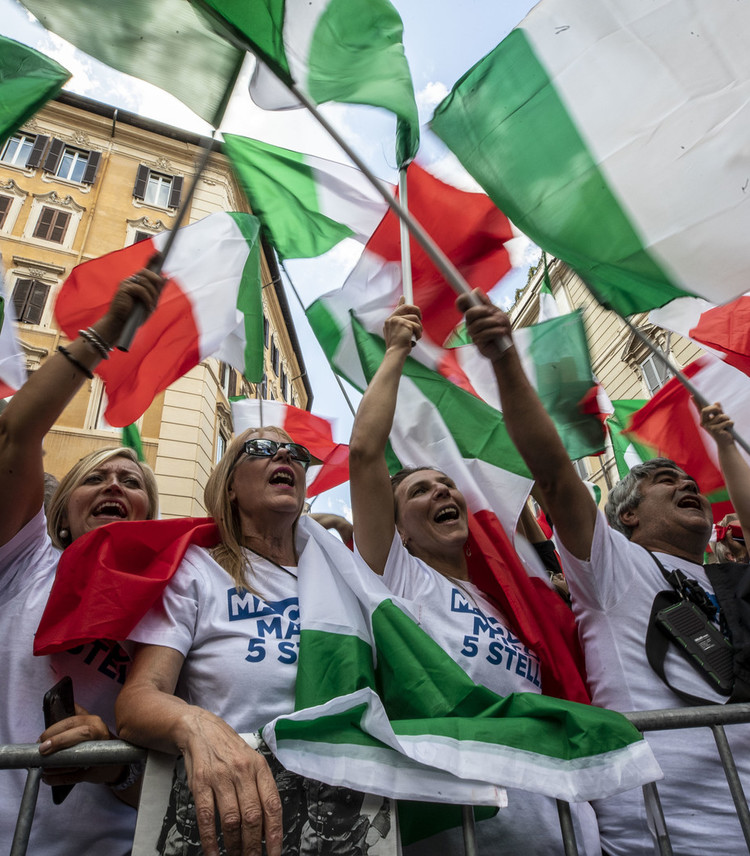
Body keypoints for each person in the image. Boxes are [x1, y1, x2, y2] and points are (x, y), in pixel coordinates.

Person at [459, 289, 750, 856]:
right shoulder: (612, 569)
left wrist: (726, 446)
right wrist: (504, 362)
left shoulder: (731, 581)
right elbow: (553, 473)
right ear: (628, 516)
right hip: (669, 837)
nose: (687, 483)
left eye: (689, 480)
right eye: (664, 481)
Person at [348, 300, 601, 856]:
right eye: (419, 490)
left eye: (446, 485)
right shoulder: (399, 577)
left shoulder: (501, 602)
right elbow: (365, 454)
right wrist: (396, 351)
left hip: (561, 828)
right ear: (398, 532)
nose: (441, 491)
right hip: (472, 836)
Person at [115, 427, 398, 856]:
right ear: (230, 485)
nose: (283, 454)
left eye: (295, 451)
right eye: (262, 448)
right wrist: (195, 725)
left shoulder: (345, 575)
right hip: (233, 821)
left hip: (341, 818)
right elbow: (137, 701)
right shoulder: (196, 572)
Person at [0, 267, 162, 854]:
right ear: (63, 512)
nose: (115, 484)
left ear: (147, 519)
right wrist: (108, 328)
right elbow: (17, 432)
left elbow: (166, 778)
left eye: (132, 480)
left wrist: (112, 762)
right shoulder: (25, 562)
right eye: (96, 478)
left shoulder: (173, 600)